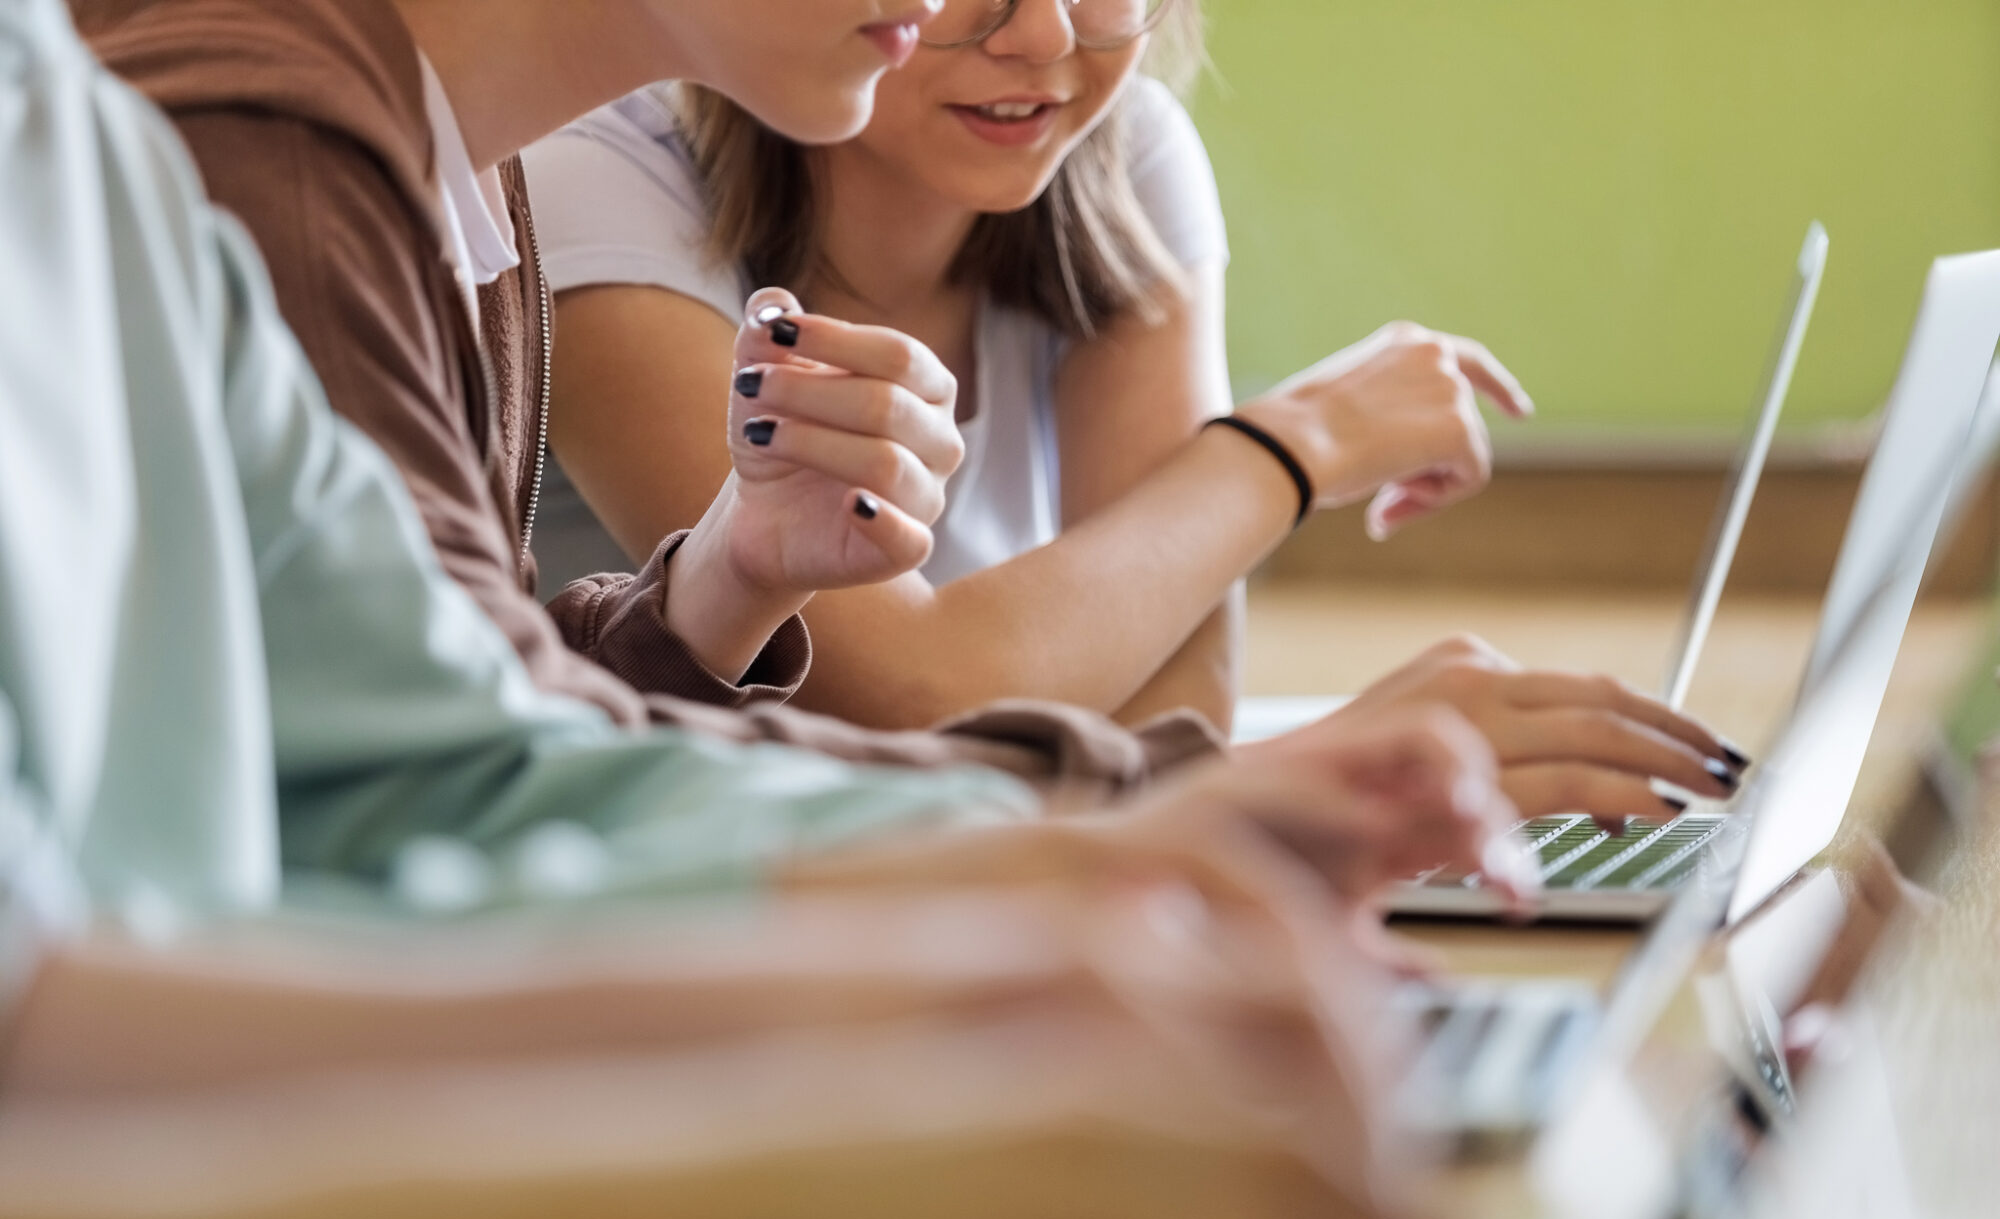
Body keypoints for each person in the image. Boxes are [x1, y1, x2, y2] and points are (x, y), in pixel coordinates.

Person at [0, 4, 1514, 1219]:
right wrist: (1012, 888)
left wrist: (1025, 875)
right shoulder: (252, 134)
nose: (1000, 21)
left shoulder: (124, 146)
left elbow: (437, 742)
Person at [83, 0, 1750, 830]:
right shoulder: (279, 152)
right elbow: (453, 830)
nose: (1022, 20)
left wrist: (715, 593)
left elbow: (443, 728)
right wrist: (1210, 799)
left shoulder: (465, 157)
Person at [525, 0, 1536, 735]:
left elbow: (1172, 722)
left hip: (954, 886)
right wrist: (1291, 445)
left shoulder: (1121, 155)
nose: (1043, 35)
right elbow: (908, 696)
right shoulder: (591, 173)